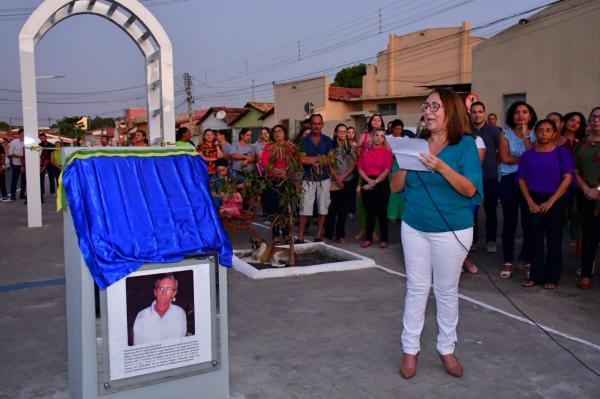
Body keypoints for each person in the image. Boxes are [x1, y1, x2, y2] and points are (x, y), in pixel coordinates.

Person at [390, 88, 482, 379]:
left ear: (450, 112)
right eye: (425, 106)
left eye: (434, 106)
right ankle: (409, 350)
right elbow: (394, 187)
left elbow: (470, 189)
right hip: (414, 227)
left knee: (445, 291)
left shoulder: (466, 146)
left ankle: (446, 348)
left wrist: (441, 167)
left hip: (452, 231)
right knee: (416, 288)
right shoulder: (414, 144)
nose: (427, 111)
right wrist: (405, 162)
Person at [519, 119, 574, 289]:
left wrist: (551, 201)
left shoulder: (561, 153)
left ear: (555, 133)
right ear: (535, 133)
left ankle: (552, 277)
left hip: (555, 199)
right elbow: (521, 179)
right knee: (534, 239)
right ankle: (536, 276)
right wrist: (529, 202)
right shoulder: (527, 155)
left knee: (554, 240)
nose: (544, 133)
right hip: (533, 198)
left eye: (548, 130)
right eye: (540, 130)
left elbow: (568, 178)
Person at [498, 101, 537, 279]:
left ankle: (526, 258)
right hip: (509, 180)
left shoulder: (538, 134)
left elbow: (534, 157)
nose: (520, 115)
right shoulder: (505, 134)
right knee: (510, 221)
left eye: (524, 112)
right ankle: (508, 259)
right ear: (511, 116)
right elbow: (505, 158)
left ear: (530, 115)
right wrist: (524, 160)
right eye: (516, 113)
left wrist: (525, 136)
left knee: (529, 222)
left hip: (530, 181)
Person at [574, 106, 600, 289]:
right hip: (586, 195)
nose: (597, 120)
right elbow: (575, 170)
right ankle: (585, 273)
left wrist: (598, 189)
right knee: (589, 235)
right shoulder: (581, 143)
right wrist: (586, 188)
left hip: (598, 191)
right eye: (593, 117)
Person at [470, 101, 501, 253]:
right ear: (471, 114)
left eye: (480, 111)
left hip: (489, 176)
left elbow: (501, 151)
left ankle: (491, 240)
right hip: (471, 178)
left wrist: (493, 164)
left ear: (484, 113)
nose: (477, 114)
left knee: (490, 210)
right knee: (472, 211)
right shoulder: (466, 131)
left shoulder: (493, 131)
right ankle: (472, 240)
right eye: (474, 112)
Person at [297, 114, 334, 243]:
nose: (317, 126)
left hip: (324, 178)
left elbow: (330, 159)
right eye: (314, 123)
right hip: (308, 178)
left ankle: (318, 235)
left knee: (323, 207)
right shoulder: (304, 141)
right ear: (310, 125)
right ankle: (300, 237)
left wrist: (312, 159)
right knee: (304, 207)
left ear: (322, 125)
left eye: (319, 123)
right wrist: (320, 158)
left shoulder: (327, 140)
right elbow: (302, 159)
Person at [260, 124, 297, 243]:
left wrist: (286, 173)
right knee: (274, 208)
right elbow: (265, 164)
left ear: (284, 133)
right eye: (275, 131)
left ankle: (286, 233)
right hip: (273, 180)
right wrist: (277, 172)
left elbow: (295, 162)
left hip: (287, 179)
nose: (277, 133)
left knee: (286, 208)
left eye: (280, 131)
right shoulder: (269, 147)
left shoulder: (290, 147)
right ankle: (275, 234)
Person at [358, 129, 392, 248]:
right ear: (372, 137)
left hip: (381, 184)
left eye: (382, 136)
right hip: (367, 182)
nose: (379, 138)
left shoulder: (387, 153)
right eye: (377, 135)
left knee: (382, 213)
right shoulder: (365, 152)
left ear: (384, 139)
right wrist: (368, 181)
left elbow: (387, 170)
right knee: (370, 213)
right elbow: (360, 168)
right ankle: (368, 238)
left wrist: (374, 182)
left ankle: (384, 239)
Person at [324, 123, 357, 243]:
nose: (343, 133)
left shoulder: (351, 148)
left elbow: (354, 164)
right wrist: (337, 177)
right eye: (340, 131)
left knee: (343, 210)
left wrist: (343, 177)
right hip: (334, 182)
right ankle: (328, 235)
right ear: (335, 133)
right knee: (332, 209)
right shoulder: (331, 147)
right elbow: (329, 164)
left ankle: (340, 235)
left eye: (345, 131)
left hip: (347, 181)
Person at [133, 274, 187, 346]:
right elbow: (137, 346)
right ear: (155, 292)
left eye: (169, 289)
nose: (164, 293)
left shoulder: (179, 313)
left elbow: (178, 343)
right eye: (161, 288)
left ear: (174, 293)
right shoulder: (142, 315)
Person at [8, 129, 26, 202]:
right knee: (14, 180)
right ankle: (13, 195)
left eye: (24, 135)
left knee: (24, 181)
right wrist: (21, 156)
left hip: (25, 164)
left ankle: (22, 194)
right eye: (22, 134)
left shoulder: (27, 143)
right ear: (19, 134)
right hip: (16, 164)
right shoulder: (13, 142)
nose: (23, 136)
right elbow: (10, 154)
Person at [345, 126, 359, 219]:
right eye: (348, 132)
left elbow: (359, 158)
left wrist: (356, 149)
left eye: (352, 132)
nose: (350, 134)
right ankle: (343, 210)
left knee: (352, 192)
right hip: (344, 170)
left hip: (354, 171)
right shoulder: (342, 144)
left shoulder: (357, 144)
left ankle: (351, 211)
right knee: (343, 191)